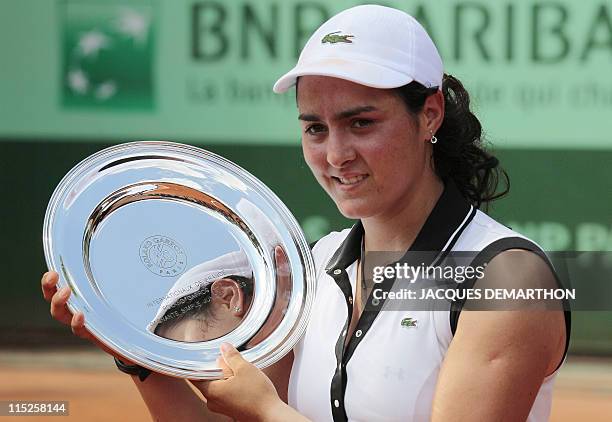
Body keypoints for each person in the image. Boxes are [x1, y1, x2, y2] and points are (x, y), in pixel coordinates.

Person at [42, 4, 570, 421]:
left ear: (428, 114)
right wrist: (136, 354)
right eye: (314, 128)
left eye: (361, 123)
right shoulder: (310, 270)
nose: (336, 154)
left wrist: (270, 413)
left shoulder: (509, 279)